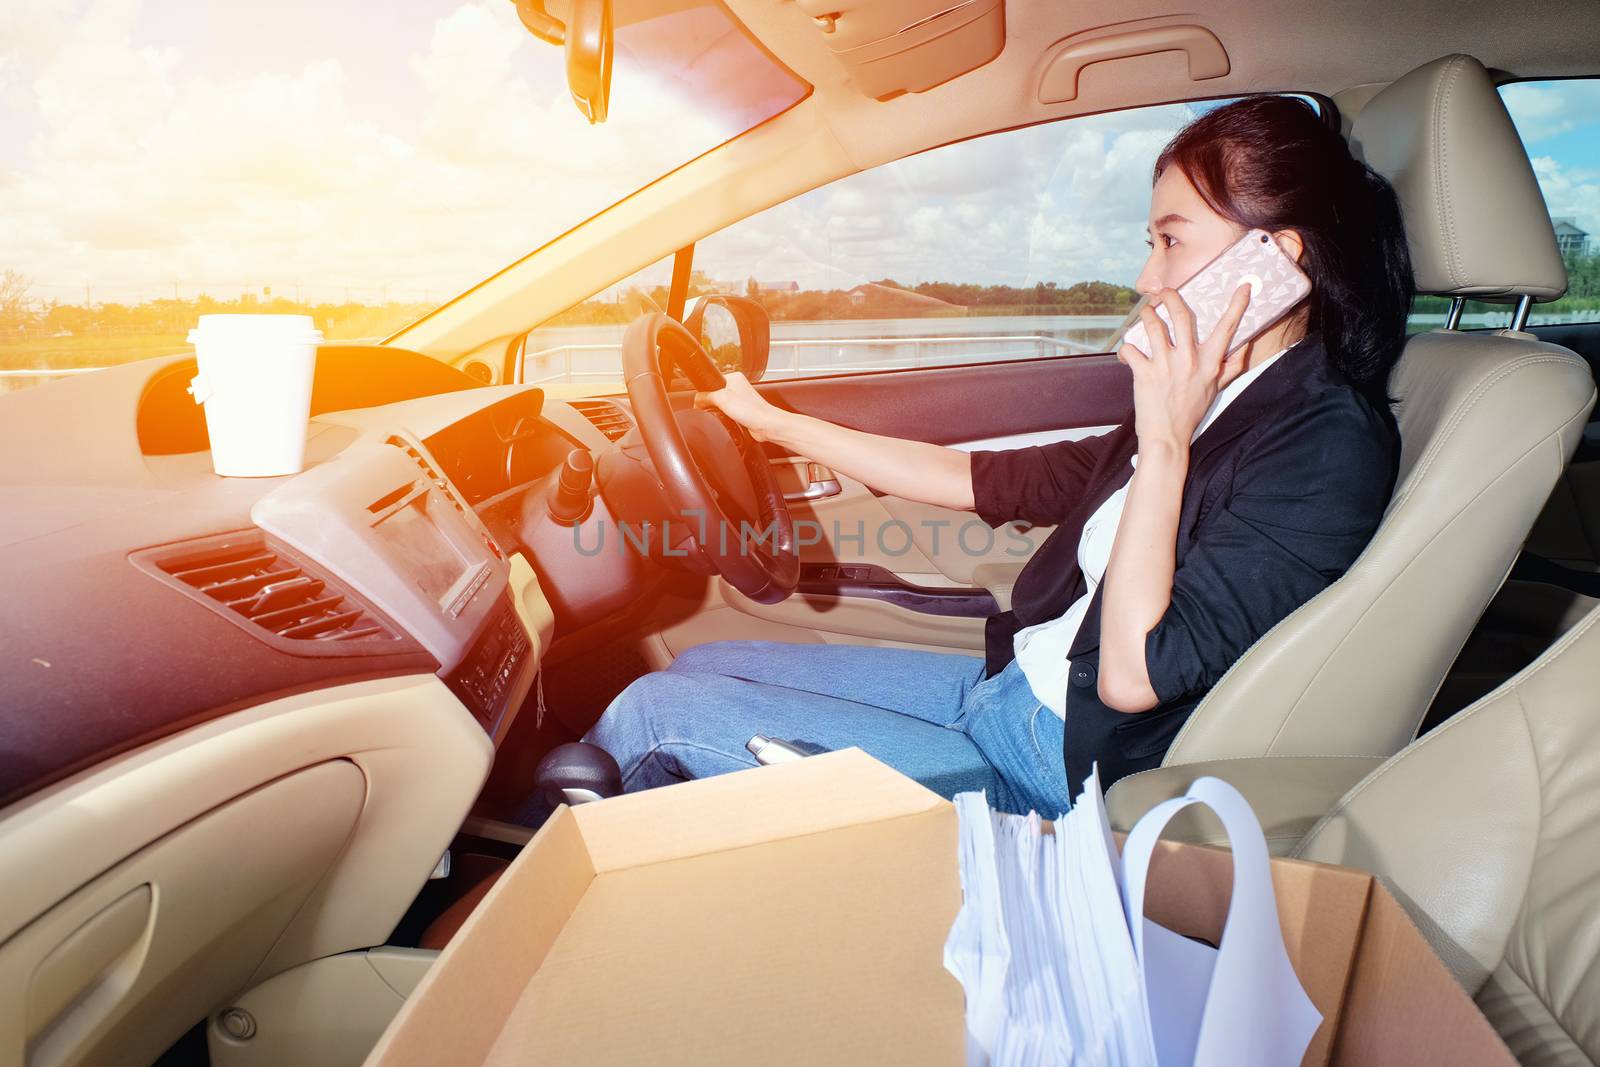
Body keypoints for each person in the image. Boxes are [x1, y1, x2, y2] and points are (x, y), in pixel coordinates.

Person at [583, 95, 1412, 815]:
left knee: (654, 715)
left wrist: (1164, 439)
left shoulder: (1324, 444)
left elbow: (1132, 677)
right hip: (1007, 692)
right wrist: (772, 423)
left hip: (1055, 775)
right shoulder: (1218, 400)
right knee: (705, 659)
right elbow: (975, 476)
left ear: (1278, 261)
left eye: (1171, 241)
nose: (1146, 275)